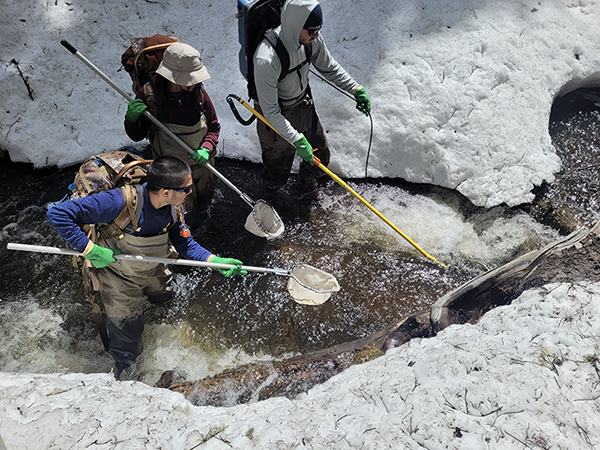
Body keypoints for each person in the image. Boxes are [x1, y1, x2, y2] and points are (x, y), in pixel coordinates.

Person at [47, 156, 245, 379]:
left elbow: (184, 242)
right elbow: (58, 213)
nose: (190, 192)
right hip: (118, 275)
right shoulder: (117, 201)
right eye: (186, 189)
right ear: (165, 191)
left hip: (154, 266)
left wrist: (212, 261)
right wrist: (90, 249)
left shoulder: (174, 207)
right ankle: (127, 383)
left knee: (165, 300)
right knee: (128, 344)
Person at [253, 0, 371, 196]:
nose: (316, 35)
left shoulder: (312, 40)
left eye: (318, 30)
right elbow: (270, 111)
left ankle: (306, 186)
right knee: (277, 170)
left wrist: (356, 89)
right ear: (295, 26)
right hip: (275, 115)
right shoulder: (266, 58)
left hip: (303, 104)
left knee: (320, 156)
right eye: (312, 31)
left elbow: (329, 67)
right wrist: (297, 140)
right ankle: (273, 199)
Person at [124, 42, 220, 224]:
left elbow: (214, 126)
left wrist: (207, 148)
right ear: (172, 77)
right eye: (188, 80)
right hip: (172, 173)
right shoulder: (149, 95)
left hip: (201, 165)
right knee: (185, 216)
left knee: (207, 202)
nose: (193, 84)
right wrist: (131, 119)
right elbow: (136, 135)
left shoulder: (199, 93)